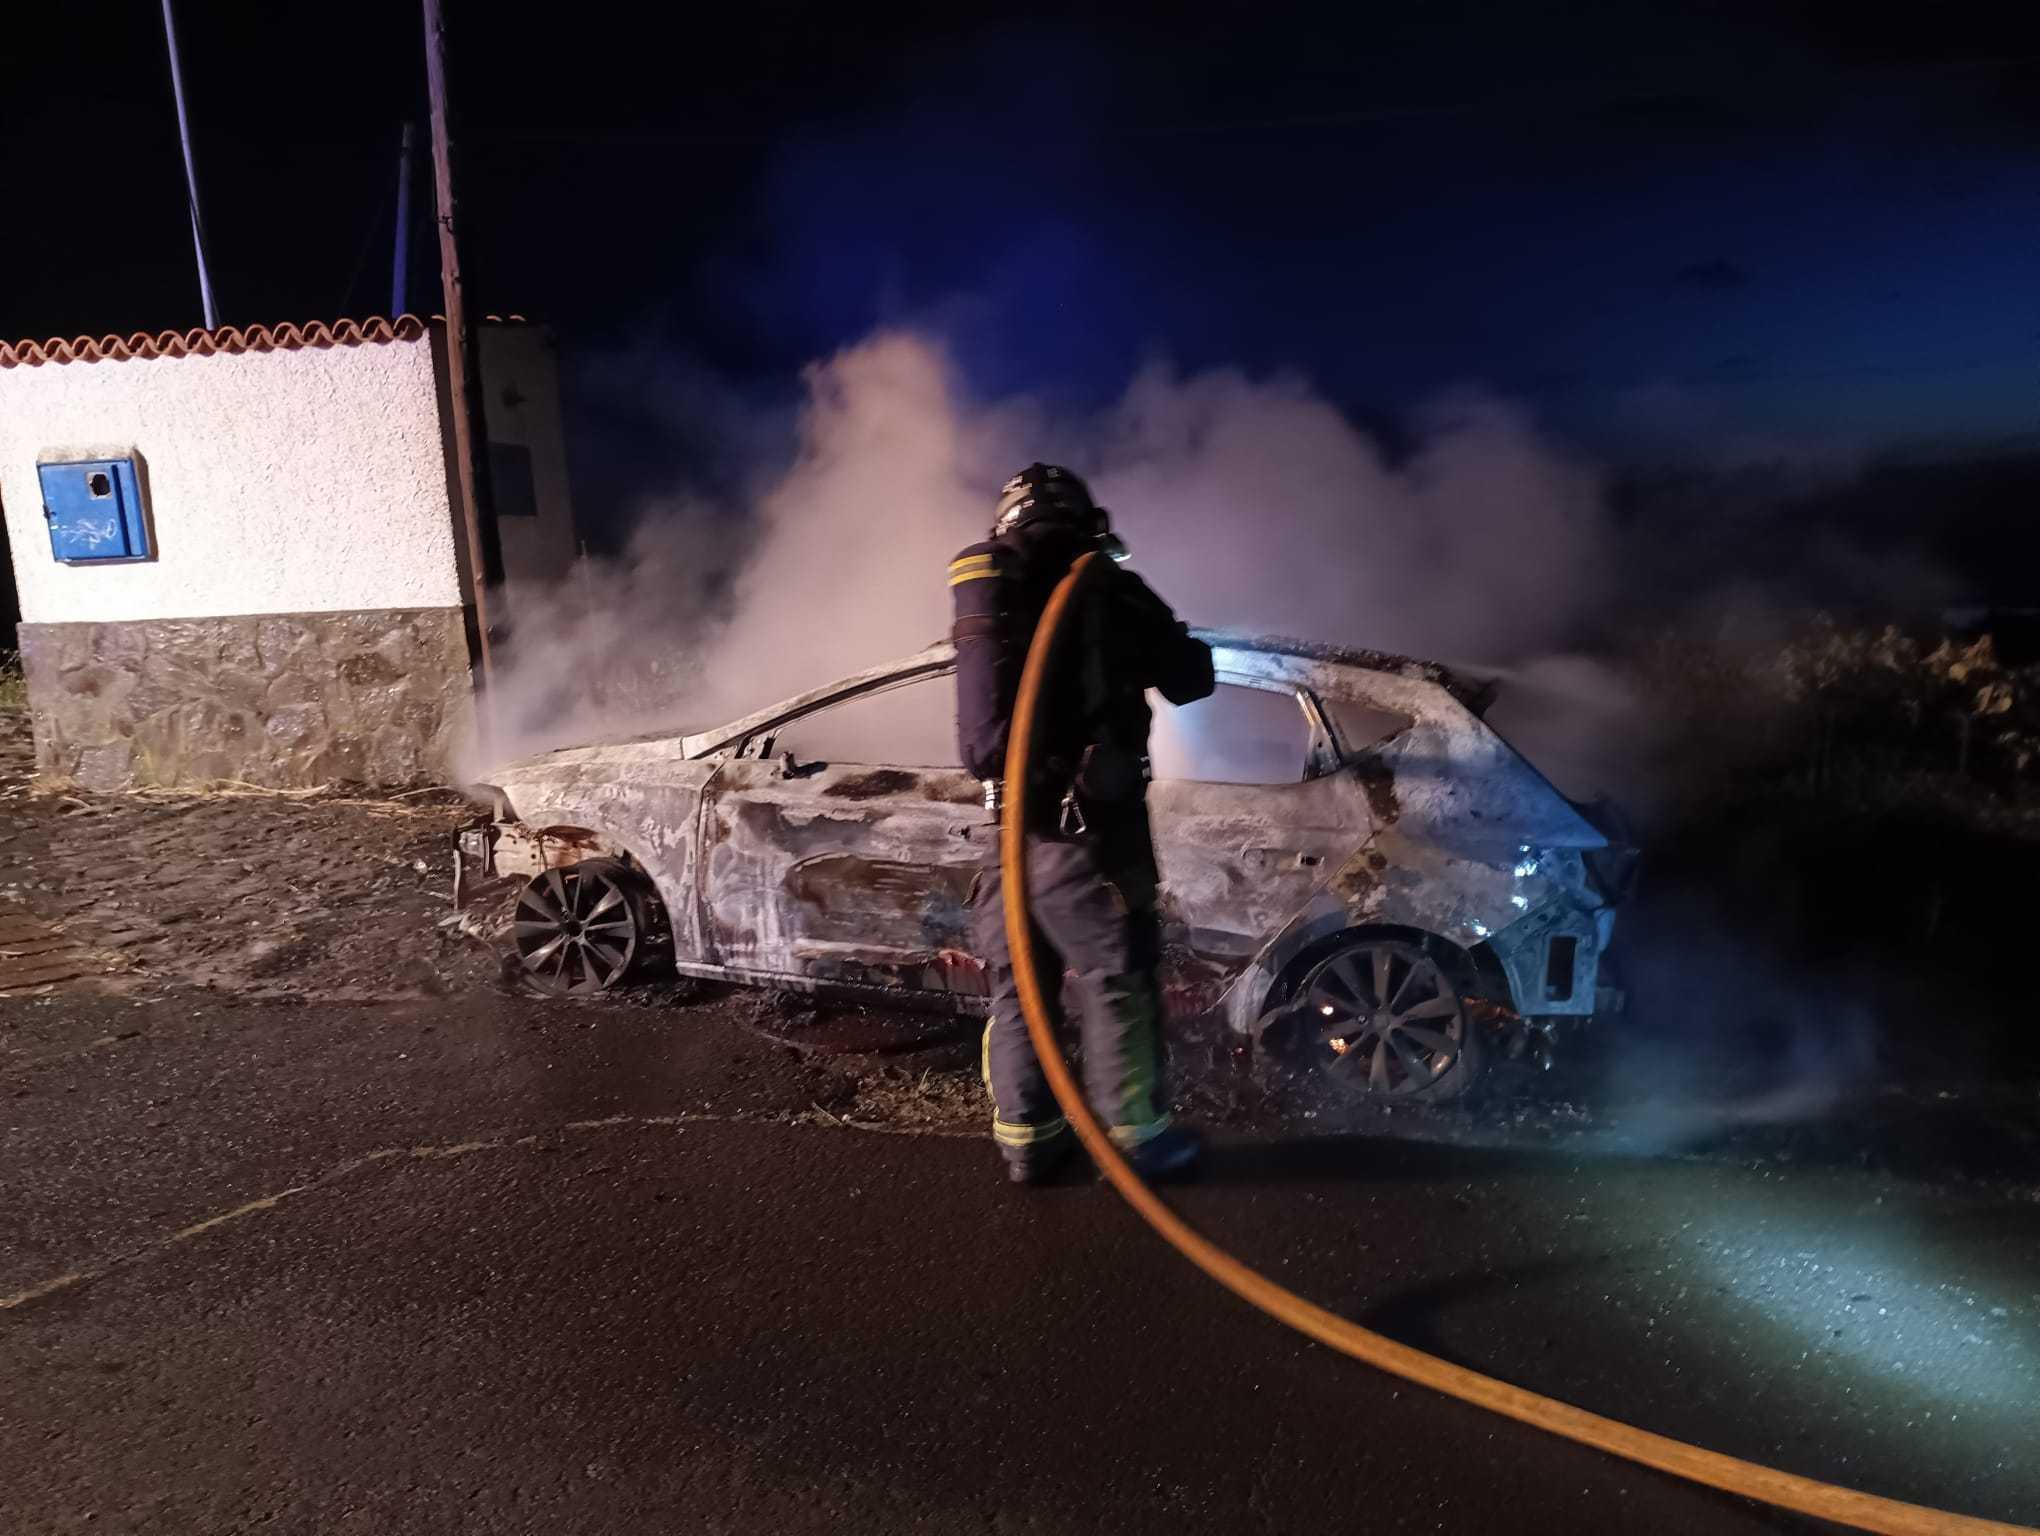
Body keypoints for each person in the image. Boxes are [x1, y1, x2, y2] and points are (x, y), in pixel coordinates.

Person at [951, 463, 1215, 1185]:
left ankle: (1028, 1144)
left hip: (1006, 836)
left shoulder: (993, 590)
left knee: (1017, 990)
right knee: (1113, 978)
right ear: (1086, 521)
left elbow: (982, 742)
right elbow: (1193, 679)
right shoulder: (1109, 590)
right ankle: (1140, 1142)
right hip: (1087, 841)